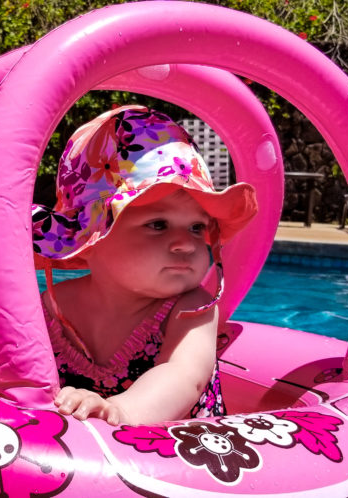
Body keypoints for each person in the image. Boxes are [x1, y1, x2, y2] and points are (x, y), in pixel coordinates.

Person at [31, 105, 258, 426]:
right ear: (89, 239)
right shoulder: (53, 307)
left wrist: (123, 410)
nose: (187, 243)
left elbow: (183, 374)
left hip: (178, 460)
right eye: (158, 224)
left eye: (197, 227)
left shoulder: (192, 308)